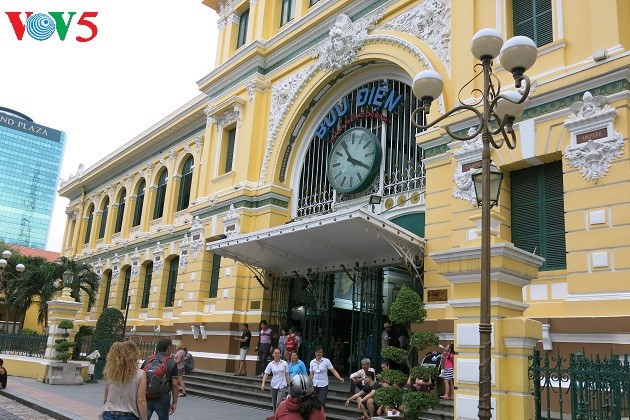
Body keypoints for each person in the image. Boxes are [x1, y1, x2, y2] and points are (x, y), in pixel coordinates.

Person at [101, 341, 147, 420]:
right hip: (128, 416)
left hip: (109, 414)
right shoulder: (140, 374)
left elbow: (106, 397)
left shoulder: (111, 372)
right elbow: (141, 400)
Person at [140, 338, 178, 419]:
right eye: (172, 347)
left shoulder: (148, 359)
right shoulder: (171, 362)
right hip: (162, 398)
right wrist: (174, 402)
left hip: (146, 396)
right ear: (168, 348)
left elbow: (140, 376)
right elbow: (175, 384)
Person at [260, 348, 290, 414]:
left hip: (282, 384)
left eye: (278, 353)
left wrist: (289, 385)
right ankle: (275, 416)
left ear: (280, 354)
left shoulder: (284, 363)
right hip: (274, 384)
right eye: (275, 353)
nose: (277, 354)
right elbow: (266, 374)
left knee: (278, 403)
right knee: (274, 403)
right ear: (273, 354)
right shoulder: (270, 364)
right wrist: (263, 384)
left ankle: (278, 415)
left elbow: (287, 375)